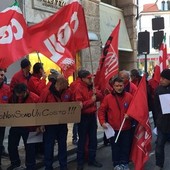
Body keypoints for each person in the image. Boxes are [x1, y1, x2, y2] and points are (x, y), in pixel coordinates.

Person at [98, 77, 133, 170]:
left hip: (126, 127)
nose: (119, 88)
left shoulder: (129, 96)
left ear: (124, 85)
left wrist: (130, 116)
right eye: (117, 86)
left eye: (121, 85)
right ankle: (116, 164)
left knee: (125, 147)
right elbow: (101, 110)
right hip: (113, 129)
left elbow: (134, 110)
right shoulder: (108, 98)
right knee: (115, 147)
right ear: (113, 86)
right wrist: (102, 122)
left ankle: (124, 163)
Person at [39, 75, 72, 170]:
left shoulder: (67, 91)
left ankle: (63, 166)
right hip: (50, 125)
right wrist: (41, 124)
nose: (68, 84)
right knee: (49, 146)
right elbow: (40, 108)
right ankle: (48, 167)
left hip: (62, 123)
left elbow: (72, 102)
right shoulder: (46, 92)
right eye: (66, 83)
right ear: (60, 83)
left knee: (62, 145)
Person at [74, 70, 103, 170]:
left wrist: (96, 94)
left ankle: (92, 159)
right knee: (82, 140)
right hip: (83, 117)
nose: (90, 79)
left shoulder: (92, 86)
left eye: (90, 78)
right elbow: (80, 105)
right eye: (88, 78)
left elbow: (100, 96)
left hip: (92, 116)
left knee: (93, 138)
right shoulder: (78, 88)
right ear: (82, 78)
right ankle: (80, 162)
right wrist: (92, 100)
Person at [7, 83, 40, 170]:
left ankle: (30, 166)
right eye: (17, 94)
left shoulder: (35, 98)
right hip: (16, 125)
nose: (19, 96)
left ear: (25, 92)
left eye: (20, 94)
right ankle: (15, 163)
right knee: (11, 145)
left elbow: (41, 113)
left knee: (30, 148)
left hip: (31, 127)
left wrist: (39, 126)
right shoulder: (13, 96)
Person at [154, 69, 170, 170]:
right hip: (162, 124)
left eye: (164, 78)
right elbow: (155, 107)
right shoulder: (158, 90)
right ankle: (159, 164)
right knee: (159, 146)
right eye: (161, 78)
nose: (161, 80)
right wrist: (158, 121)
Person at [0, 68, 10, 169]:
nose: (0, 77)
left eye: (2, 75)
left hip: (2, 121)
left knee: (0, 139)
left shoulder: (7, 89)